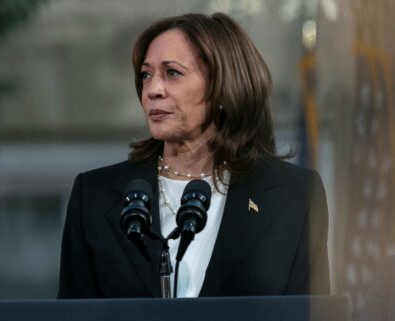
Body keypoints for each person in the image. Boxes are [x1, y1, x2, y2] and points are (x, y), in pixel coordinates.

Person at [57, 12, 330, 298]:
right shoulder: (95, 196)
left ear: (223, 86)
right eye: (146, 75)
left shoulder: (293, 195)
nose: (152, 90)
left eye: (172, 73)